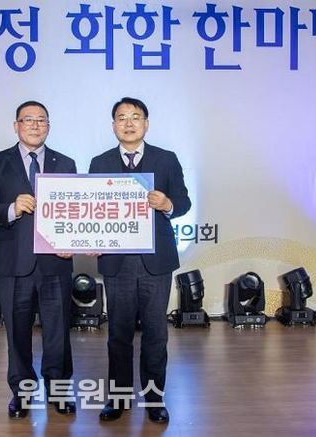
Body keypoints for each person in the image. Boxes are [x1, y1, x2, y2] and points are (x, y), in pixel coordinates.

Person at [89, 97, 191, 424]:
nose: (129, 123)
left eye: (135, 117)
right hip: (116, 262)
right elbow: (91, 210)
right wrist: (88, 238)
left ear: (146, 123)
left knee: (156, 335)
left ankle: (154, 400)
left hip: (155, 262)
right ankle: (118, 399)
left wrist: (167, 204)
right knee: (118, 335)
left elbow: (184, 203)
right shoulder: (100, 163)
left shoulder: (166, 159)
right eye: (122, 117)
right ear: (113, 125)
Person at [0, 101, 77, 419]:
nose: (35, 125)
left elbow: (76, 211)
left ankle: (58, 391)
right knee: (17, 334)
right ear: (16, 126)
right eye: (28, 120)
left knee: (58, 333)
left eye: (41, 120)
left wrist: (73, 241)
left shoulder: (66, 163)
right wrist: (12, 208)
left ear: (49, 126)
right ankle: (22, 393)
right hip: (14, 264)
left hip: (55, 263)